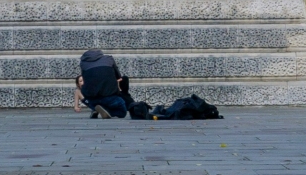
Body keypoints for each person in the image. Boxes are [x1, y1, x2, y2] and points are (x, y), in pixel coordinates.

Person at [74, 47, 222, 120]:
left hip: (91, 95)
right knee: (121, 109)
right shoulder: (109, 59)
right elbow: (118, 76)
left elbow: (85, 79)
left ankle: (94, 107)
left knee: (93, 97)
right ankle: (105, 109)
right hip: (110, 94)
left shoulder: (83, 63)